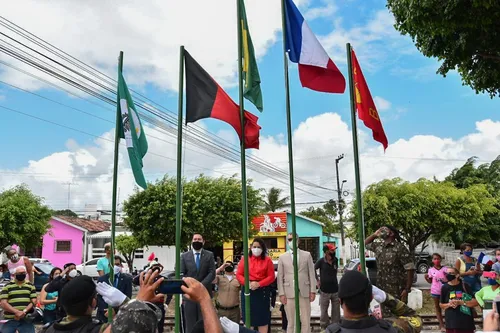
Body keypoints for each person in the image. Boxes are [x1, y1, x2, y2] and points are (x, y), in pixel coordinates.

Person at [326, 270, 422, 333]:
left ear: (340, 301)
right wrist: (386, 298)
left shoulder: (329, 332)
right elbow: (416, 319)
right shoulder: (393, 329)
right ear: (371, 298)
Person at [365, 225, 415, 316]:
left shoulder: (400, 248)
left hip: (397, 289)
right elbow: (365, 243)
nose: (381, 231)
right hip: (382, 288)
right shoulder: (379, 246)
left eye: (384, 229)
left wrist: (407, 289)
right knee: (385, 315)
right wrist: (375, 235)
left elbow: (410, 269)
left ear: (391, 233)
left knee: (398, 316)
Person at [278, 233, 316, 333]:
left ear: (298, 241)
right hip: (288, 292)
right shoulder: (282, 257)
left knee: (305, 320)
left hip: (304, 291)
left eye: (294, 239)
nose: (292, 241)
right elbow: (280, 277)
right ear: (287, 241)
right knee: (291, 322)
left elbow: (311, 273)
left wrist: (313, 291)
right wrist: (281, 294)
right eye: (290, 239)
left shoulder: (307, 255)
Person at [236, 238, 275, 333]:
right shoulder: (245, 259)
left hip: (262, 293)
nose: (256, 249)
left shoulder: (267, 260)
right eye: (254, 247)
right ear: (250, 248)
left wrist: (259, 284)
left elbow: (271, 276)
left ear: (263, 248)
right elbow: (239, 274)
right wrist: (248, 283)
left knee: (263, 321)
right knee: (249, 321)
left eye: (259, 247)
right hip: (248, 292)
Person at [180, 233, 215, 333]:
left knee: (204, 323)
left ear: (203, 242)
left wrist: (200, 286)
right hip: (189, 295)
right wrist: (191, 286)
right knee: (190, 325)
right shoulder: (184, 256)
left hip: (205, 295)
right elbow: (181, 274)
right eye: (195, 239)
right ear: (191, 241)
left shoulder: (209, 255)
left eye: (199, 239)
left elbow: (212, 273)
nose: (197, 241)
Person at [133, 261, 167, 333]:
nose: (156, 270)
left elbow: (169, 292)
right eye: (153, 268)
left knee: (160, 326)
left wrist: (167, 303)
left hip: (159, 305)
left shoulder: (163, 278)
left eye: (157, 268)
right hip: (148, 305)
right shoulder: (146, 278)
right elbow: (135, 280)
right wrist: (147, 271)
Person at [0, 266, 37, 333]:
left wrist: (23, 312)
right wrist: (16, 312)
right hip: (10, 319)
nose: (22, 275)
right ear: (14, 275)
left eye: (24, 273)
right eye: (20, 273)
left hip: (26, 319)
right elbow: (3, 303)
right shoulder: (7, 286)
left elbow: (33, 301)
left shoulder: (30, 286)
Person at [439, 267, 476, 333]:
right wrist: (449, 304)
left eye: (451, 273)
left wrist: (461, 302)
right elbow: (441, 305)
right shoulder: (444, 288)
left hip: (466, 323)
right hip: (451, 323)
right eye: (447, 273)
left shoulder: (465, 286)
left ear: (457, 275)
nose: (448, 275)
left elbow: (475, 302)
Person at [96, 257, 132, 323]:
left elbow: (127, 297)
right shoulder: (102, 279)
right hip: (103, 316)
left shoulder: (127, 279)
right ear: (109, 265)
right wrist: (107, 310)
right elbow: (99, 298)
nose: (115, 266)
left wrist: (115, 311)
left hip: (120, 315)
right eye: (113, 264)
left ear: (121, 265)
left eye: (117, 264)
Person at [315, 243, 341, 329]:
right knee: (324, 312)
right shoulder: (321, 261)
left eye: (334, 250)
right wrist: (317, 280)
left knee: (336, 312)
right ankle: (324, 327)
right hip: (324, 291)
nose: (334, 252)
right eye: (332, 250)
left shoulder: (335, 260)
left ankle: (335, 326)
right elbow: (313, 269)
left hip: (335, 290)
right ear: (326, 252)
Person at [424, 253, 447, 331]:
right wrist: (426, 278)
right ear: (432, 260)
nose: (436, 260)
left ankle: (449, 323)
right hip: (435, 291)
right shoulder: (430, 270)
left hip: (445, 291)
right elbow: (430, 281)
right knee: (437, 308)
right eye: (435, 259)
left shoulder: (445, 269)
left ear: (440, 259)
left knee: (447, 307)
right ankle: (441, 325)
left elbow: (449, 279)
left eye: (438, 258)